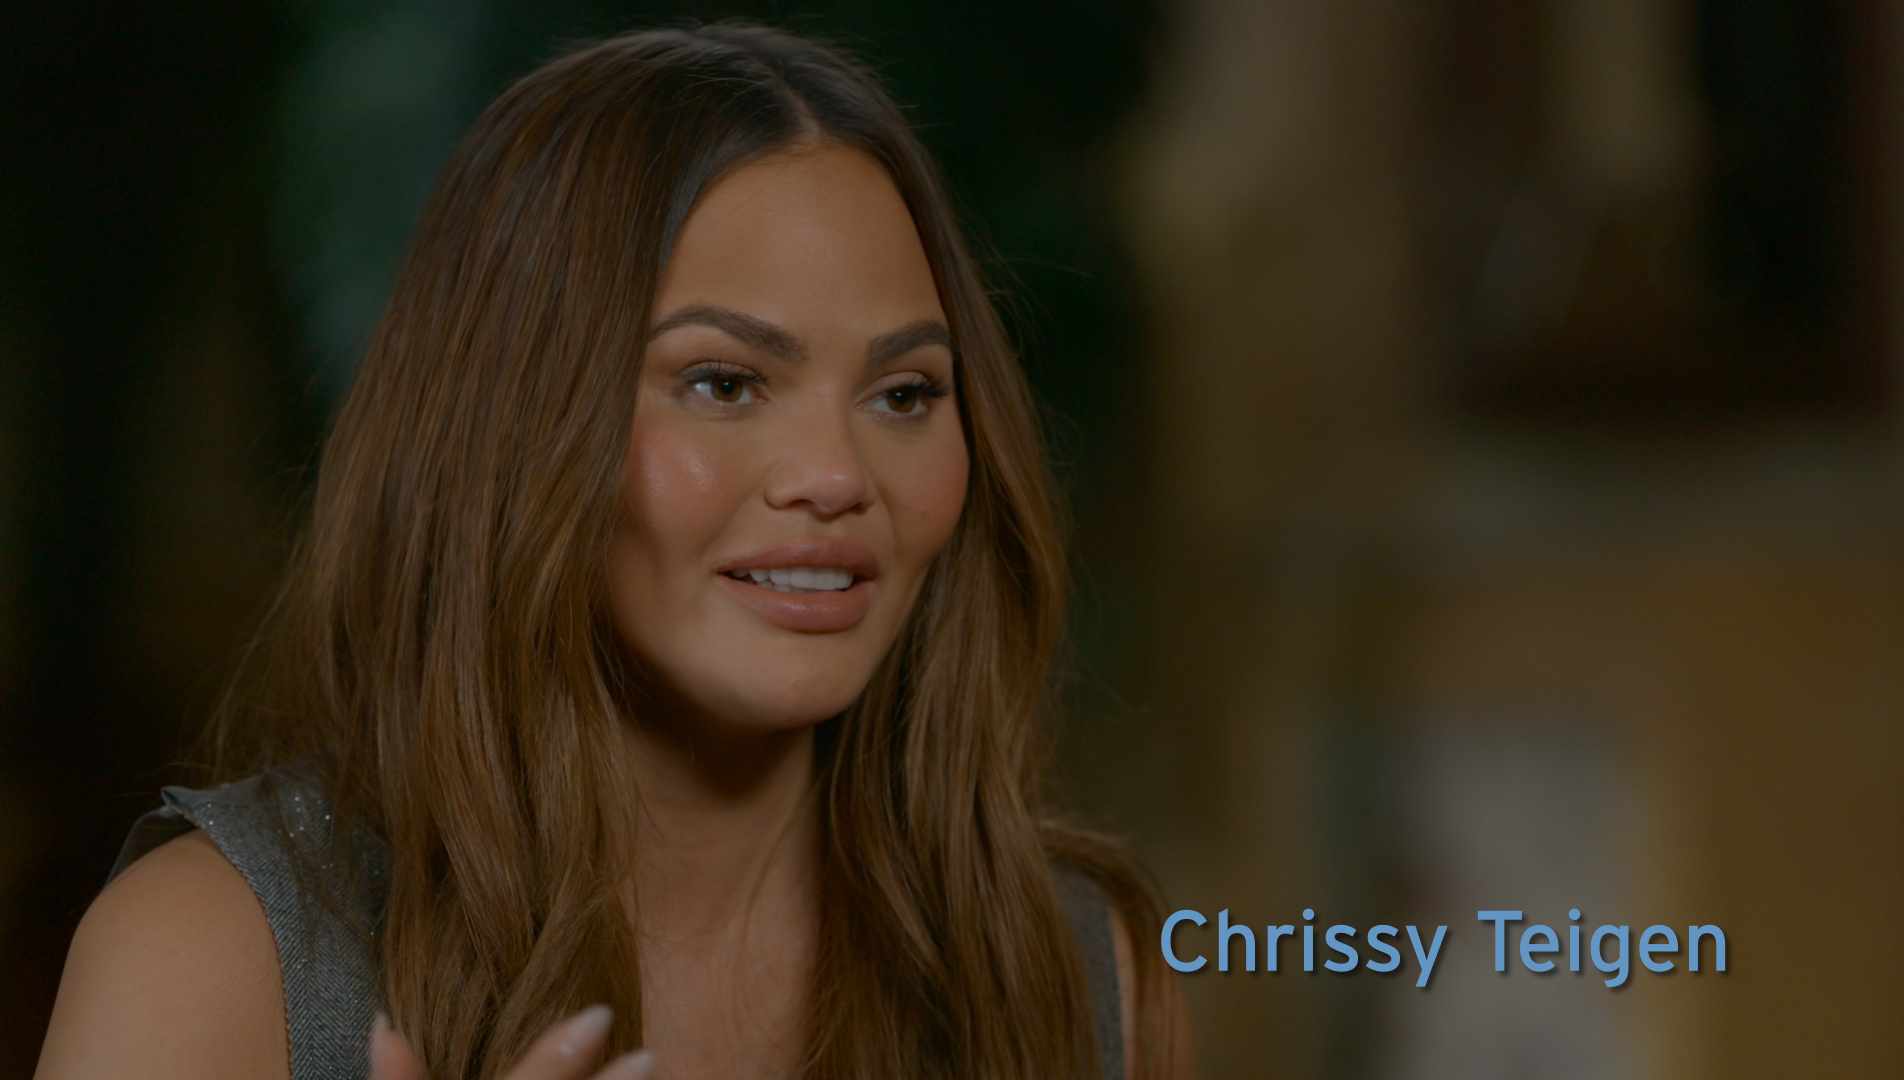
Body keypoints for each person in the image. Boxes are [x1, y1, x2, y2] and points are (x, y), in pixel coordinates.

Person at [33, 22, 1193, 1080]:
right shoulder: (208, 960)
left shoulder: (1089, 975)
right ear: (514, 428)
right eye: (724, 383)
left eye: (903, 394)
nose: (837, 476)